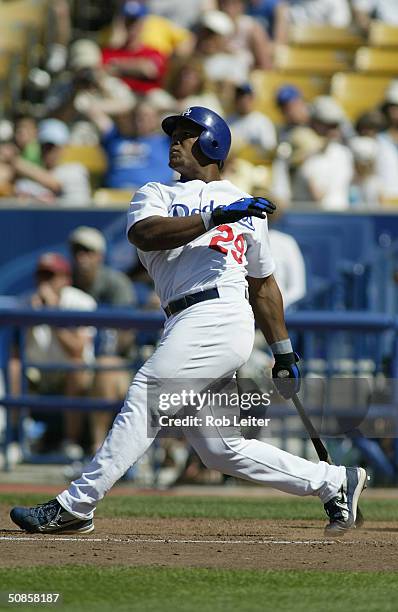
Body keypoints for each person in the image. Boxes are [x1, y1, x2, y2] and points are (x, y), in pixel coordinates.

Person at [10, 106, 367, 536]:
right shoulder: (154, 193)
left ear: (213, 143)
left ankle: (76, 504)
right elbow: (145, 234)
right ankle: (333, 481)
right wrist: (212, 218)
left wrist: (283, 351)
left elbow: (264, 285)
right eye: (174, 133)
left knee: (147, 393)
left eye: (187, 134)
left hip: (220, 314)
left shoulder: (244, 202)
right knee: (221, 449)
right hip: (183, 317)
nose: (176, 141)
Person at [8, 253, 96, 458]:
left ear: (66, 279)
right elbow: (16, 350)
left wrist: (53, 313)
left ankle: (70, 442)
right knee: (13, 366)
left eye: (51, 276)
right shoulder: (27, 301)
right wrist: (33, 317)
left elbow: (77, 350)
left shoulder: (81, 302)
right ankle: (15, 439)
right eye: (41, 276)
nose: (44, 281)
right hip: (37, 372)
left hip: (70, 371)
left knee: (76, 366)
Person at [68, 226, 136, 452]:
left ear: (100, 255)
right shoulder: (66, 283)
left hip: (121, 365)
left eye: (87, 251)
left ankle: (100, 449)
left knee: (106, 366)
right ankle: (70, 446)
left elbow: (125, 339)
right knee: (76, 367)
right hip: (76, 360)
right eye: (77, 251)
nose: (81, 258)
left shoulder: (116, 284)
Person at [80, 99, 173, 189]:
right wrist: (129, 106)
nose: (139, 120)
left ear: (156, 119)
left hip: (153, 197)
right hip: (115, 196)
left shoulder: (166, 140)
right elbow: (94, 109)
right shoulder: (114, 137)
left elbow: (186, 116)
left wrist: (170, 106)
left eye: (146, 116)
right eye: (136, 116)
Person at [13, 119, 91, 206]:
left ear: (63, 148)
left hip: (77, 219)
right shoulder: (38, 174)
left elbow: (53, 183)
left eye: (52, 147)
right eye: (44, 147)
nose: (47, 151)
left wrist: (13, 161)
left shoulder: (76, 170)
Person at [227, 83, 277, 154]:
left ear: (252, 99)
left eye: (247, 97)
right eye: (240, 97)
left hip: (256, 163)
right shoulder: (228, 121)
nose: (244, 101)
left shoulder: (263, 121)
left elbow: (270, 150)